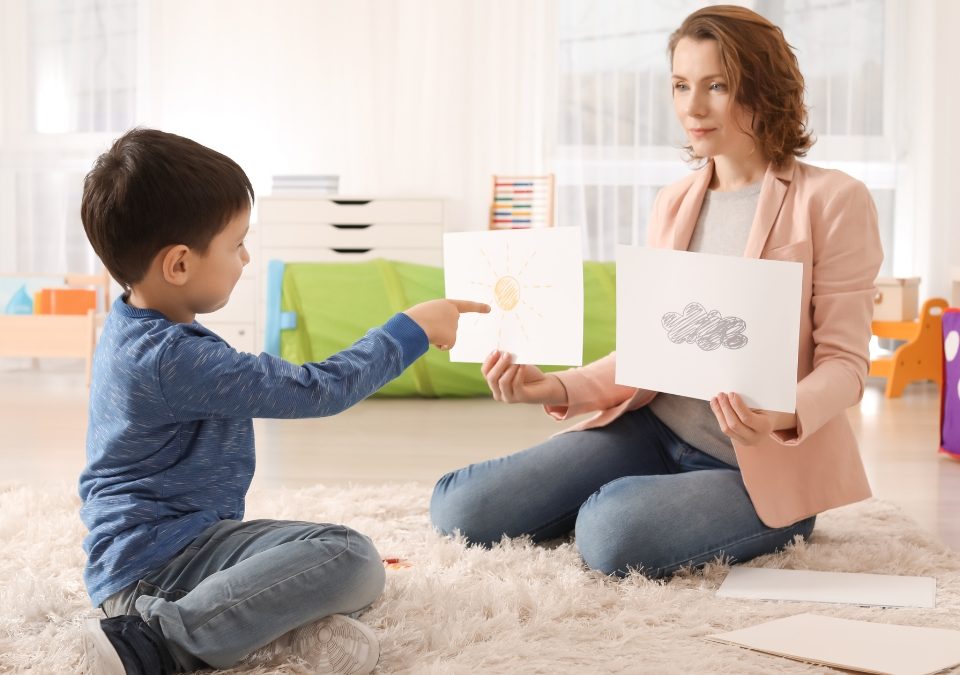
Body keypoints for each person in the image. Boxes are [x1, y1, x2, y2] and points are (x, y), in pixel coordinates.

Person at [430, 5, 882, 580]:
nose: (692, 107)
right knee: (460, 510)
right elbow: (648, 352)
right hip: (652, 429)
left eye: (717, 85)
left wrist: (779, 416)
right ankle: (641, 499)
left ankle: (692, 511)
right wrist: (556, 385)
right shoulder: (674, 201)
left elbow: (845, 367)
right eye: (681, 85)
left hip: (755, 466)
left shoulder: (834, 200)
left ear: (764, 88)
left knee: (610, 532)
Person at [77, 128, 488, 674]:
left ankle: (280, 637)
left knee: (314, 569)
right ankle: (156, 643)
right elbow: (319, 388)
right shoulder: (170, 358)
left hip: (182, 545)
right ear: (178, 265)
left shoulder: (138, 322)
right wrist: (409, 330)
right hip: (156, 569)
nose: (246, 257)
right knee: (348, 556)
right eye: (236, 243)